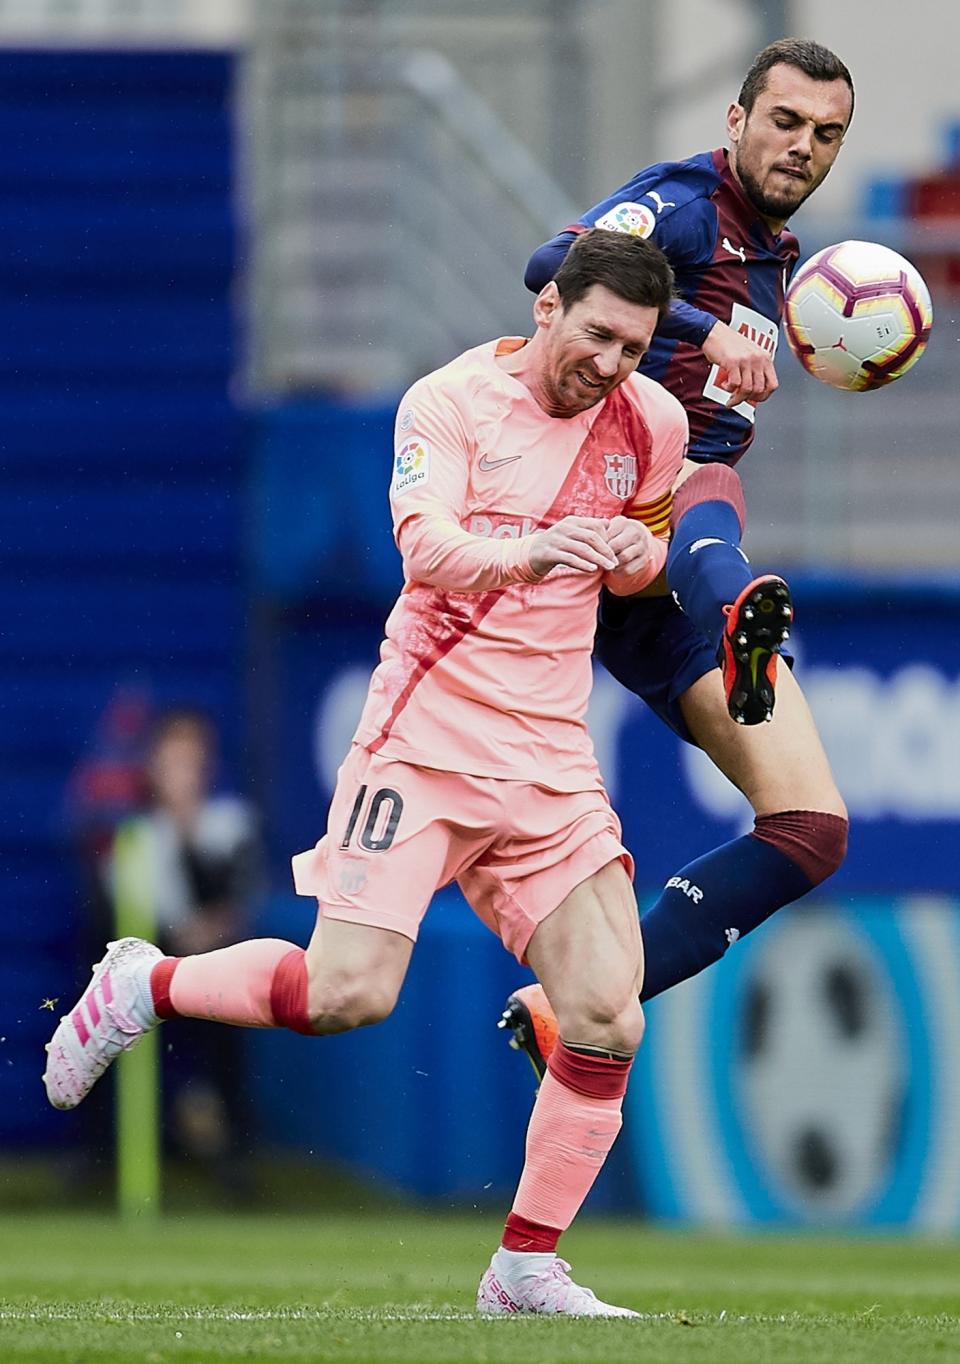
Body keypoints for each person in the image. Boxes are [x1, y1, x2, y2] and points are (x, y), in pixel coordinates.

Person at [44, 229, 687, 1316]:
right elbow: (422, 544)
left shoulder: (652, 422)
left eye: (634, 345)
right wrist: (529, 550)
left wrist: (634, 555)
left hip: (547, 761)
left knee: (609, 1012)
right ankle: (141, 980)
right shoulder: (448, 403)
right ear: (547, 310)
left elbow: (652, 543)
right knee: (348, 993)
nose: (614, 363)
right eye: (598, 334)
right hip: (424, 738)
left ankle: (524, 1266)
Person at [501, 38, 852, 1075]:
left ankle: (574, 1002)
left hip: (659, 585)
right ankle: (736, 599)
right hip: (612, 510)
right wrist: (703, 325)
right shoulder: (685, 203)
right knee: (704, 478)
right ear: (737, 119)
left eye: (826, 135)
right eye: (784, 122)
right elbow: (551, 267)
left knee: (810, 827)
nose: (802, 148)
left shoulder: (781, 252)